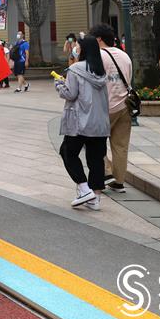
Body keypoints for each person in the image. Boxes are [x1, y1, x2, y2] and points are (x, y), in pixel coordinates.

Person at [55, 35, 110, 210]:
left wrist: (59, 85)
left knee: (67, 152)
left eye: (77, 46)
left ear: (84, 49)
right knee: (96, 160)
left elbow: (70, 94)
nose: (75, 48)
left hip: (80, 121)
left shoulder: (75, 69)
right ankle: (96, 199)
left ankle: (84, 188)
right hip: (99, 122)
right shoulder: (100, 70)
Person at [90, 24, 132, 193]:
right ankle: (119, 182)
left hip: (104, 107)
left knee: (93, 143)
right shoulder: (124, 55)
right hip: (125, 106)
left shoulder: (98, 55)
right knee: (120, 146)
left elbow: (91, 80)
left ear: (98, 39)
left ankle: (107, 172)